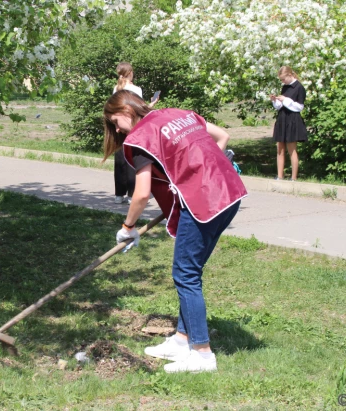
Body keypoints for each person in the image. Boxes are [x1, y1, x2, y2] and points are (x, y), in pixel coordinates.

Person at [103, 90, 248, 373]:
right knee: (191, 271)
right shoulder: (176, 114)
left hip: (204, 201)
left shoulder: (141, 139)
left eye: (114, 121)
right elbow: (223, 137)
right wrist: (204, 171)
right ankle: (182, 341)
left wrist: (127, 227)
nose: (117, 129)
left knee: (185, 274)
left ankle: (202, 355)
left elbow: (142, 194)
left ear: (126, 110)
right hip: (229, 192)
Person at [112, 62, 158, 204]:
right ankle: (132, 194)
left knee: (120, 160)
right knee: (132, 159)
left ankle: (119, 195)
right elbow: (140, 110)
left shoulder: (116, 88)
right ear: (130, 72)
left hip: (119, 126)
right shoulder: (136, 89)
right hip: (132, 126)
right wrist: (152, 104)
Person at [270, 66, 307, 181]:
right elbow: (281, 106)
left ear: (290, 75)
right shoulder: (284, 87)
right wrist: (275, 100)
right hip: (282, 118)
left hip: (292, 120)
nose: (282, 82)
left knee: (292, 149)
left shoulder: (299, 87)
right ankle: (280, 176)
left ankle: (293, 177)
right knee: (280, 148)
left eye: (283, 79)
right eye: (281, 80)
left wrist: (285, 100)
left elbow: (299, 107)